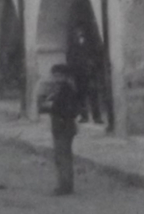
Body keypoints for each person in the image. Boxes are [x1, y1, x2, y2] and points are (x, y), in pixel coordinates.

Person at [38, 64, 84, 195]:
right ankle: (65, 184)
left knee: (63, 157)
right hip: (61, 126)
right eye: (55, 75)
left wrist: (51, 107)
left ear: (64, 76)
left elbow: (69, 110)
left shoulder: (66, 90)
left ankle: (65, 186)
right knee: (62, 156)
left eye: (58, 75)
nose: (56, 78)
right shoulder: (60, 90)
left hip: (64, 126)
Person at [67, 27, 104, 125]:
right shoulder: (73, 46)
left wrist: (93, 66)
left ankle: (97, 117)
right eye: (77, 33)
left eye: (81, 32)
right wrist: (72, 72)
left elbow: (97, 57)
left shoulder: (91, 45)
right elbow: (70, 59)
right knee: (81, 96)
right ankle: (84, 116)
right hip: (79, 75)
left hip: (90, 74)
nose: (79, 34)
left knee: (93, 96)